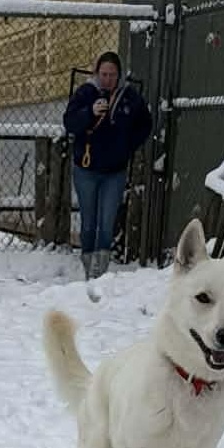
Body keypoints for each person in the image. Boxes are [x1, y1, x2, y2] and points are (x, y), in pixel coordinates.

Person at [63, 51, 152, 279]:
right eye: (103, 74)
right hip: (86, 169)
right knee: (89, 222)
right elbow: (70, 122)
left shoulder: (129, 97)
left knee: (106, 222)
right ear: (96, 73)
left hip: (115, 171)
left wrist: (127, 145)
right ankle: (87, 266)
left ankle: (99, 272)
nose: (108, 79)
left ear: (119, 75)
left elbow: (145, 123)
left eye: (112, 74)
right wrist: (89, 113)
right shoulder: (86, 93)